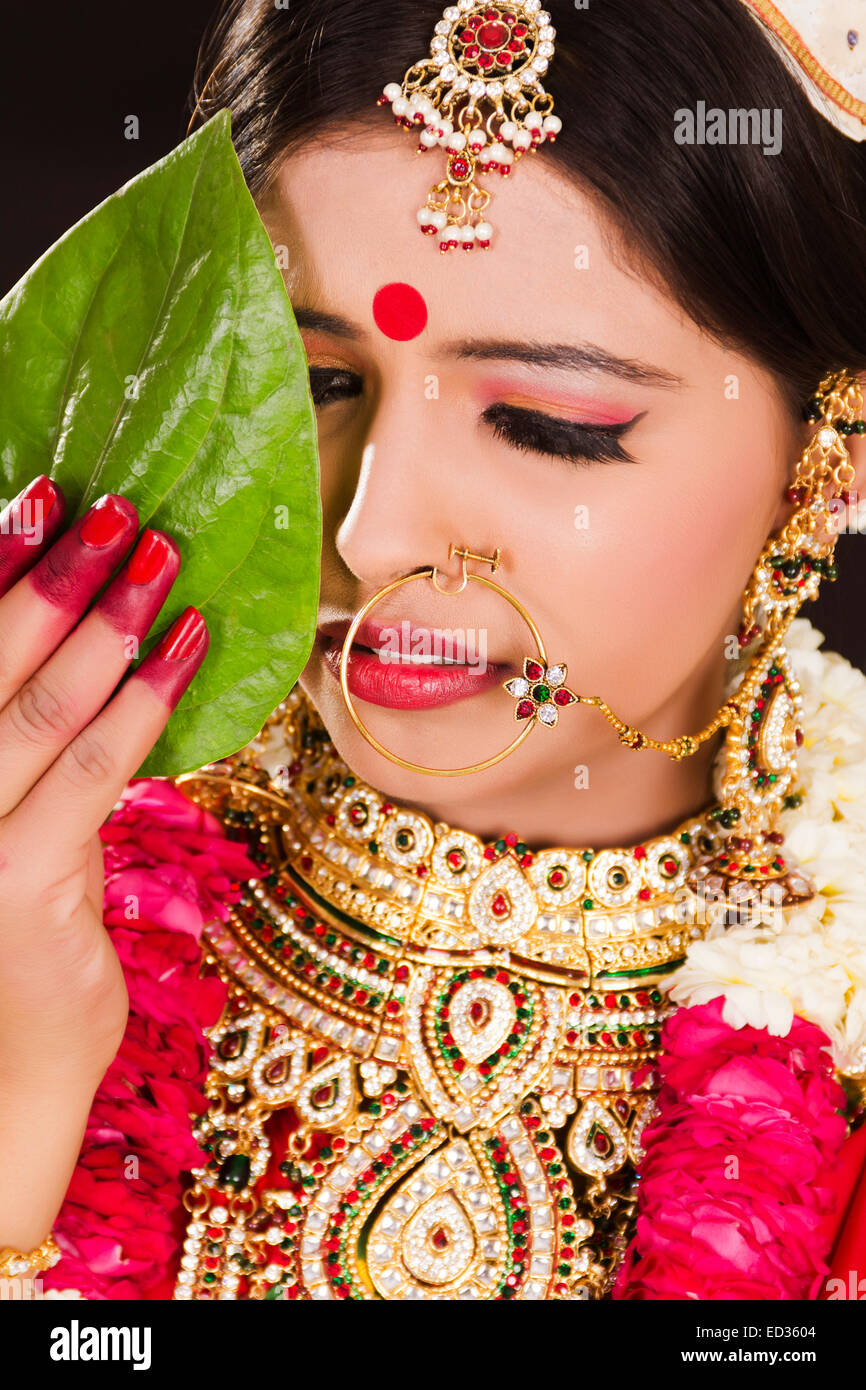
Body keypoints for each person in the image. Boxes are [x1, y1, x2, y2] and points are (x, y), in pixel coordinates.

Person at [1, 0, 866, 1301]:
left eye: (547, 423)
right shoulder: (48, 898)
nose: (368, 526)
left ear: (827, 464)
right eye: (308, 386)